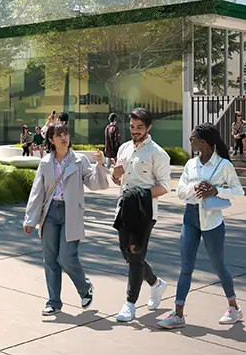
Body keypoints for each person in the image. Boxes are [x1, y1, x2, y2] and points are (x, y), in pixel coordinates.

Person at [157, 124, 245, 329]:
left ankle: (234, 308)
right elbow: (179, 191)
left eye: (192, 139)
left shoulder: (223, 165)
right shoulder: (190, 165)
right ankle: (178, 313)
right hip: (190, 217)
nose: (190, 142)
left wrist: (216, 190)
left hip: (212, 220)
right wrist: (194, 187)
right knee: (186, 267)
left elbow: (238, 191)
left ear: (203, 142)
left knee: (218, 266)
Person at [23, 124, 108, 315]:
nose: (64, 138)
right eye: (59, 135)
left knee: (67, 257)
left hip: (71, 212)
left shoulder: (79, 160)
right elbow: (37, 192)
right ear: (51, 140)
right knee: (50, 259)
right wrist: (30, 218)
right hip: (50, 212)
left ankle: (85, 288)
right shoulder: (45, 162)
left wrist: (101, 165)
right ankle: (54, 301)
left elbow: (95, 183)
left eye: (66, 134)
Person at [111, 108, 171, 323]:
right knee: (127, 254)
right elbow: (118, 181)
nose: (135, 131)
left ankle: (130, 304)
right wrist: (115, 175)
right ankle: (155, 283)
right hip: (124, 209)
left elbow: (165, 186)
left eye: (140, 128)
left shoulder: (158, 153)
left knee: (136, 254)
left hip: (145, 212)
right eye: (132, 127)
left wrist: (140, 196)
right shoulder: (124, 149)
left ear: (149, 127)